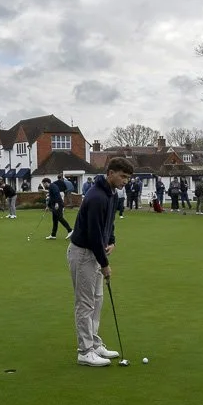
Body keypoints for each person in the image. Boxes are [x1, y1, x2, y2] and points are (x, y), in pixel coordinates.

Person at [67, 156, 131, 366]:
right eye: (122, 176)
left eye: (128, 178)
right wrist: (105, 265)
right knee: (85, 303)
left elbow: (109, 222)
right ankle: (84, 351)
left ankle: (94, 343)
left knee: (97, 300)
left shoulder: (111, 194)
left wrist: (111, 240)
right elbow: (94, 234)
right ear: (110, 173)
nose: (125, 181)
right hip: (84, 253)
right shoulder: (96, 197)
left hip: (95, 252)